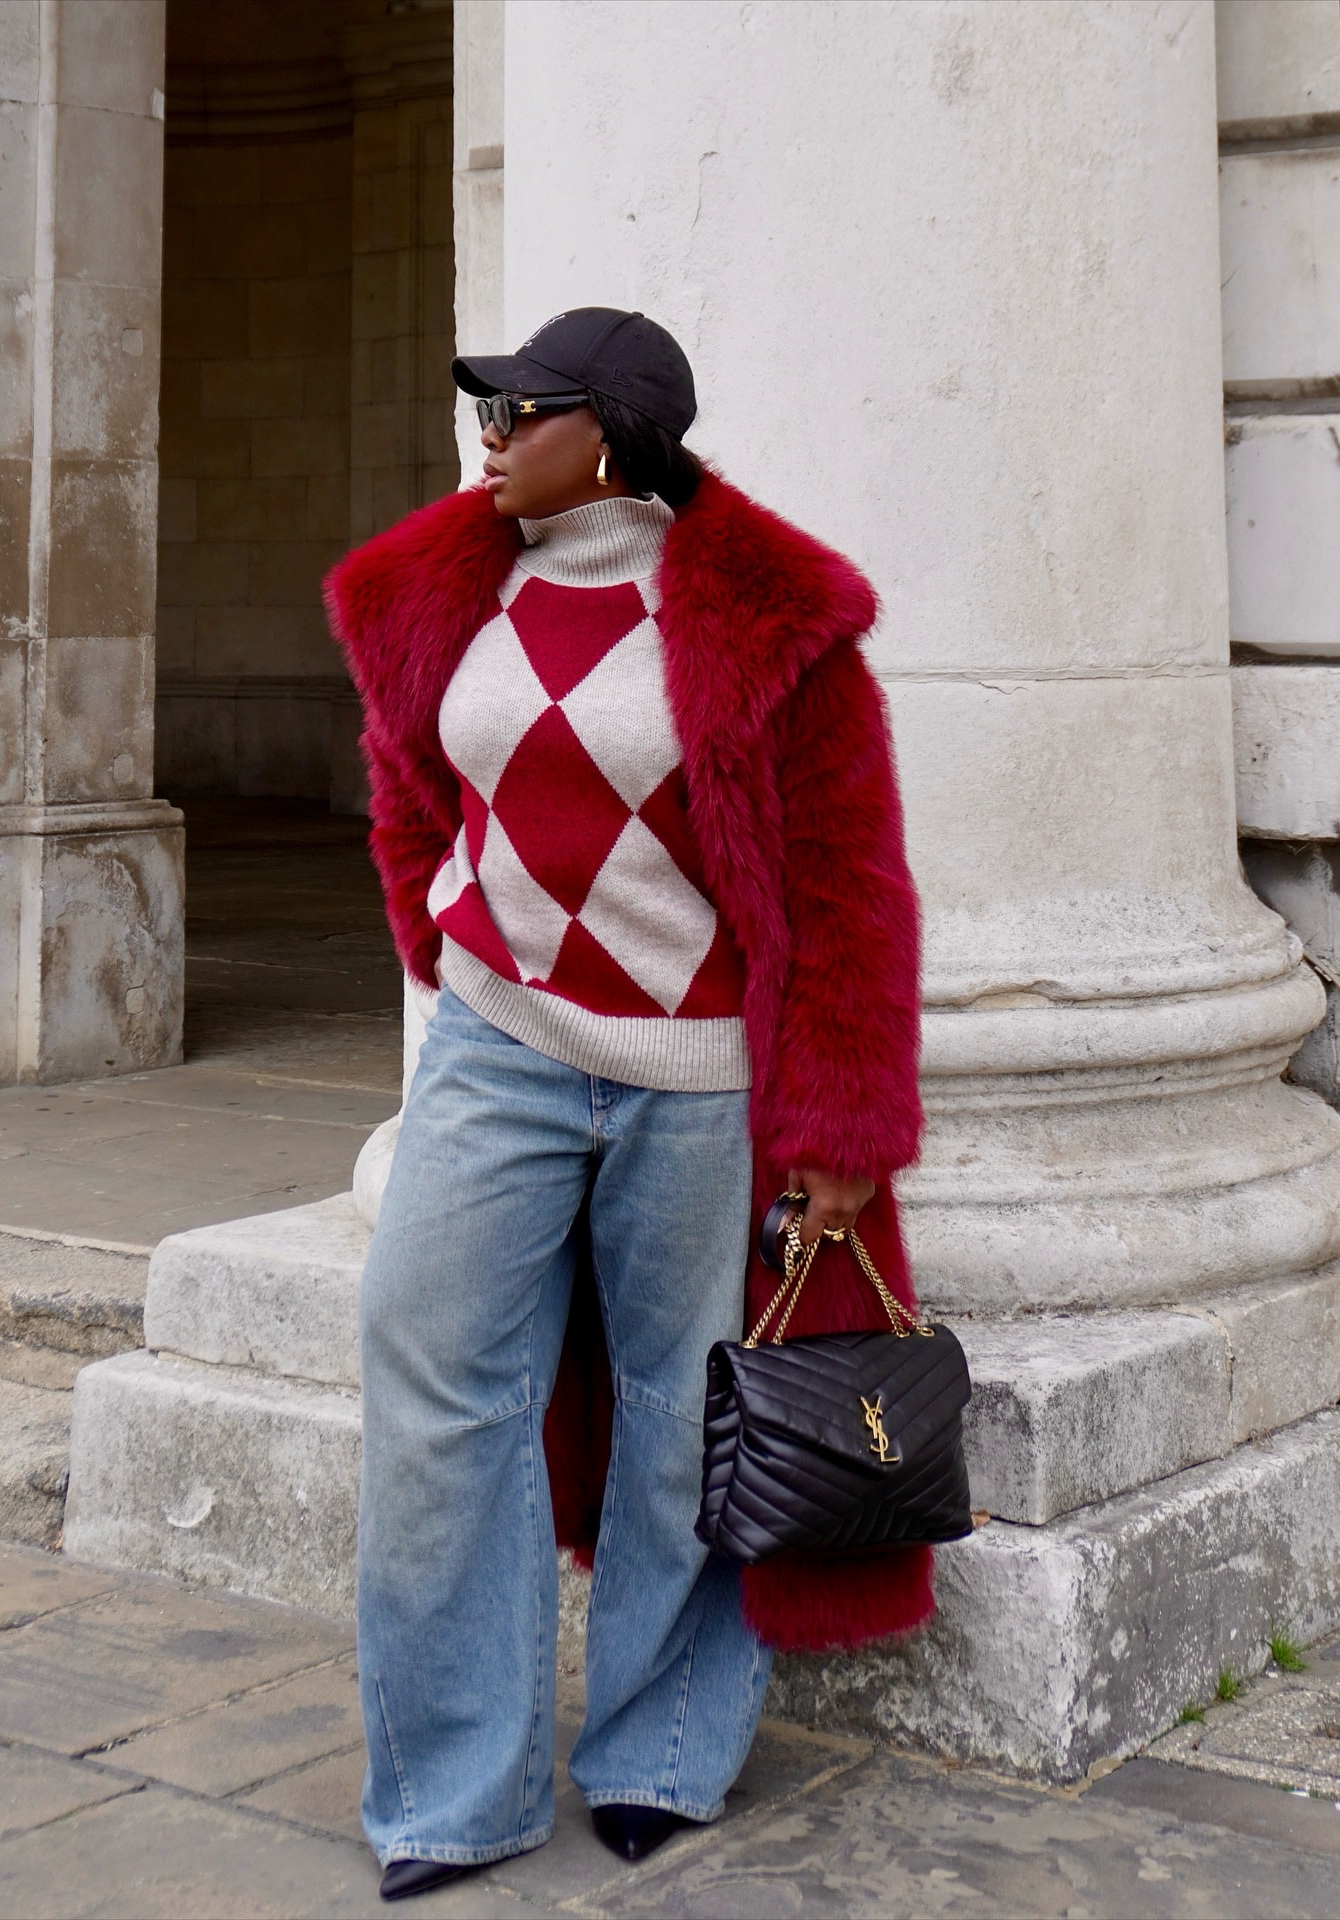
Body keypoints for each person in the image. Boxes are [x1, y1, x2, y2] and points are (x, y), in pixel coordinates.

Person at [326, 307, 925, 1902]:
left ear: (615, 430)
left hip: (702, 1075)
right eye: (489, 404)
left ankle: (660, 1751)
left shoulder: (762, 614)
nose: (491, 429)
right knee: (432, 1368)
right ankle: (456, 1789)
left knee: (679, 1416)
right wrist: (453, 956)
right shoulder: (445, 582)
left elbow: (848, 882)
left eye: (523, 407)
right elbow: (412, 787)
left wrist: (845, 1141)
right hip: (499, 1047)